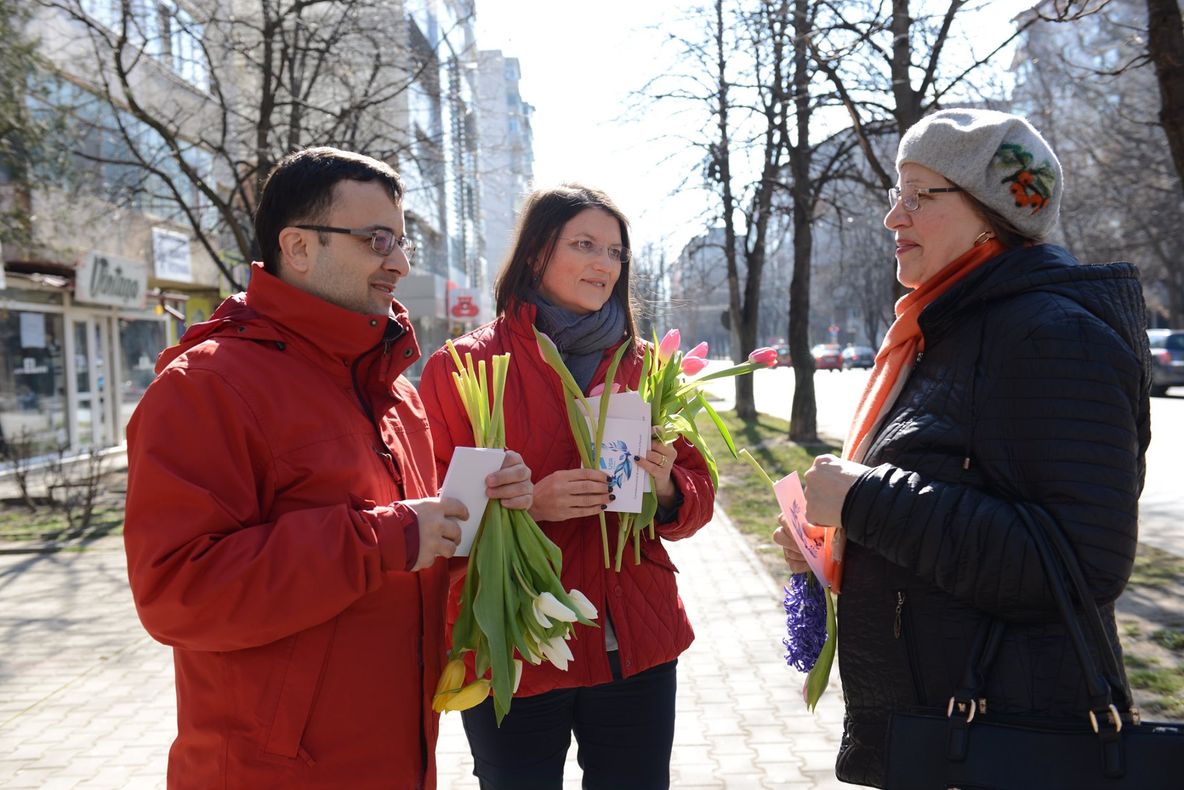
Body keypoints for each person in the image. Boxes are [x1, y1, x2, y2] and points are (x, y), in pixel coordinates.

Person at [122, 146, 532, 789]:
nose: (399, 263)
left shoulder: (396, 393)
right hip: (274, 773)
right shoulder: (205, 386)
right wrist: (385, 538)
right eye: (377, 240)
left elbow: (412, 556)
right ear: (298, 247)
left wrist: (482, 518)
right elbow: (178, 593)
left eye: (400, 242)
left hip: (398, 758)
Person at [773, 109, 1152, 787]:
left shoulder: (1052, 336)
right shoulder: (946, 329)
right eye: (896, 193)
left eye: (919, 195)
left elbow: (1080, 563)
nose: (894, 216)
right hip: (942, 730)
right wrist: (833, 537)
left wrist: (864, 500)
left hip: (1010, 739)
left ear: (990, 214)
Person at [418, 184, 716, 789]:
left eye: (616, 252)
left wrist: (666, 489)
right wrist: (532, 508)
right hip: (518, 639)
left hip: (634, 642)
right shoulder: (463, 367)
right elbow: (432, 513)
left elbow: (699, 494)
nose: (605, 263)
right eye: (585, 245)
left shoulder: (646, 365)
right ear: (536, 253)